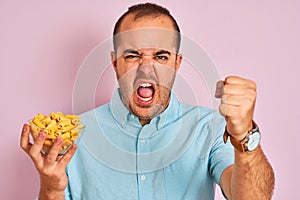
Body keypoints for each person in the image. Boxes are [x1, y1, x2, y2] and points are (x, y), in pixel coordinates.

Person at [20, 3, 275, 200]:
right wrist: (51, 188)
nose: (146, 69)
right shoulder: (74, 135)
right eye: (132, 55)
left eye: (161, 56)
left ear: (177, 64)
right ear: (115, 63)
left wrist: (244, 138)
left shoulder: (210, 128)